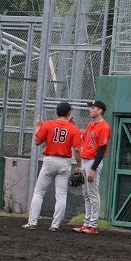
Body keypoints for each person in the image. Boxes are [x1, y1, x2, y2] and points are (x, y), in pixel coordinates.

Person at [23, 101, 83, 231]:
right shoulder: (74, 128)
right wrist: (79, 165)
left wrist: (38, 126)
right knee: (61, 195)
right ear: (69, 113)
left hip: (49, 160)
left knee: (39, 192)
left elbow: (37, 141)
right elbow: (77, 150)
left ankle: (32, 222)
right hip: (64, 162)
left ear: (57, 112)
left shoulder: (49, 124)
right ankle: (55, 225)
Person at [73, 100, 110, 235]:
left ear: (100, 110)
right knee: (86, 194)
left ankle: (93, 225)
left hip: (94, 162)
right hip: (85, 160)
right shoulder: (91, 125)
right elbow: (81, 138)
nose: (90, 110)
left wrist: (93, 169)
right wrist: (73, 126)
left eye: (93, 108)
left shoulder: (104, 127)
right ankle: (87, 223)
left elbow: (101, 150)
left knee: (93, 194)